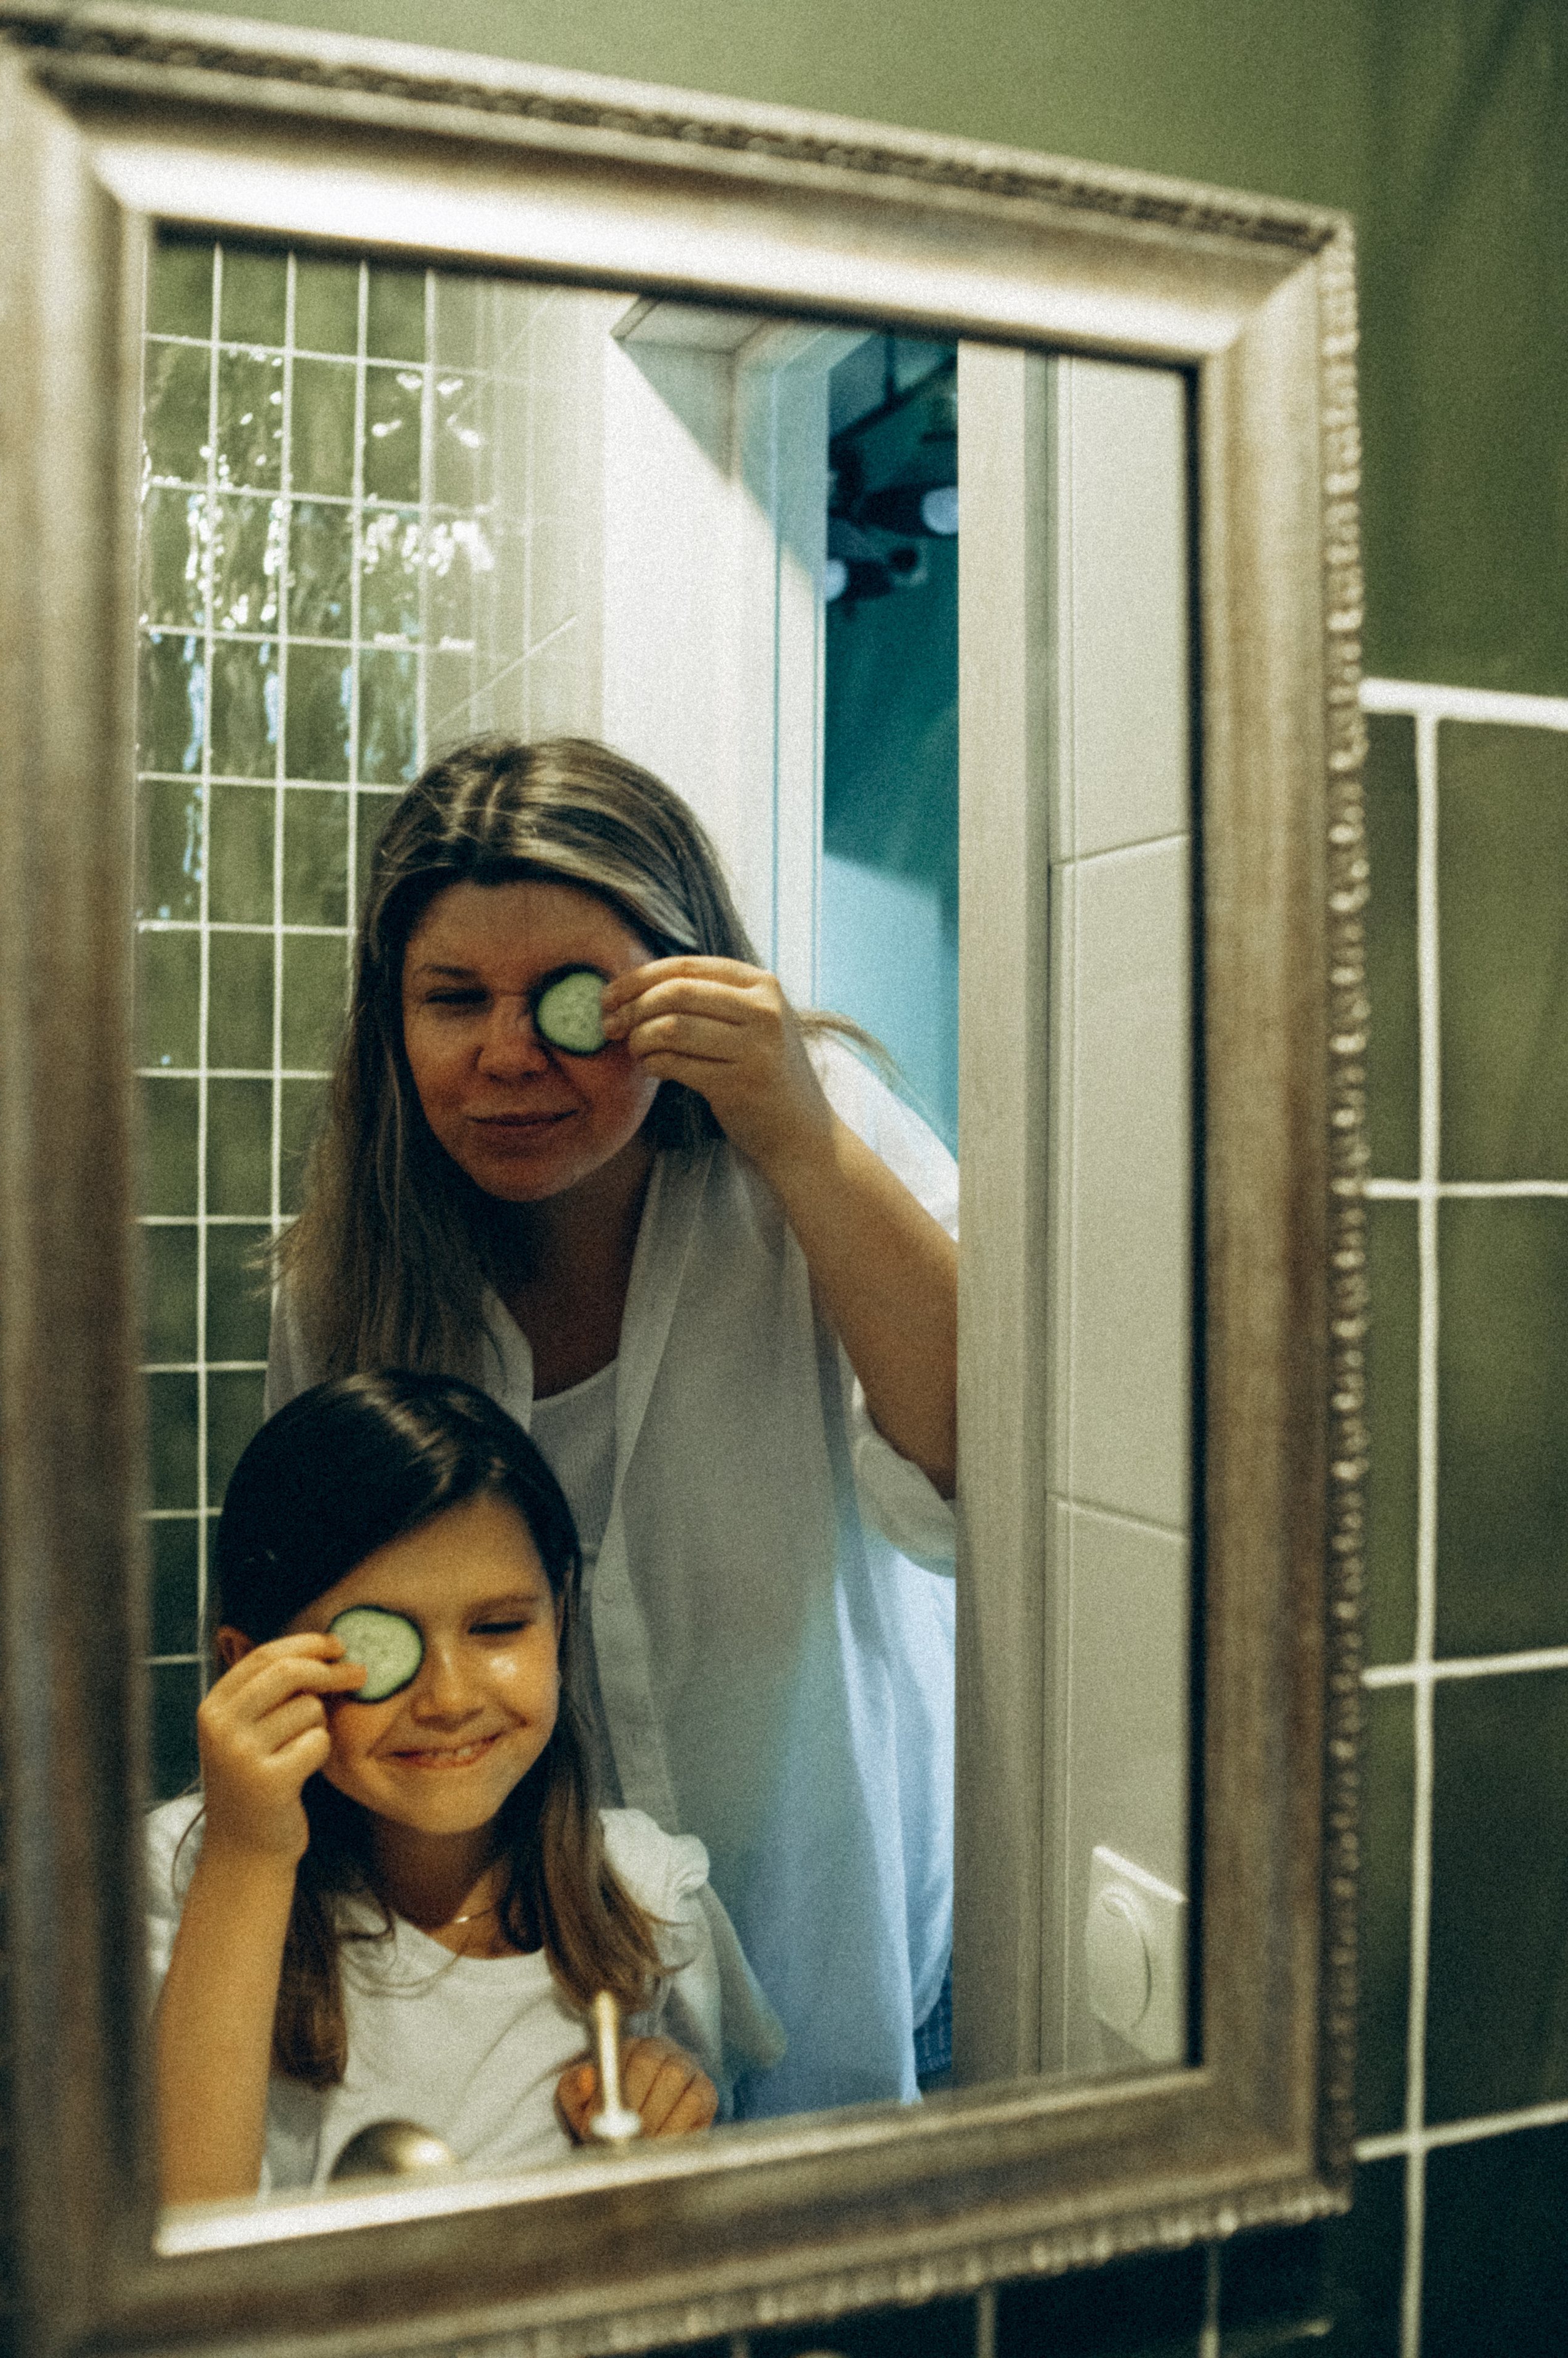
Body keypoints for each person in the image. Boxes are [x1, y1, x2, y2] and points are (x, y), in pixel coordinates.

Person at [267, 736, 958, 2115]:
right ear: (390, 1020)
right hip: (542, 2014)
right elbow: (343, 1669)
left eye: (567, 997)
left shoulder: (812, 1145)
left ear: (675, 985)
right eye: (452, 998)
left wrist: (796, 1133)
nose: (508, 1055)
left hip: (859, 1949)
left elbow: (974, 1473)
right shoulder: (346, 1283)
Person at [150, 1371, 782, 2203]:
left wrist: (676, 2102)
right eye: (380, 1646)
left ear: (561, 1616)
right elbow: (177, 2227)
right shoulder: (181, 1876)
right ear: (250, 1664)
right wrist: (246, 1854)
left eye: (498, 1627)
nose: (449, 1699)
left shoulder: (647, 1896)